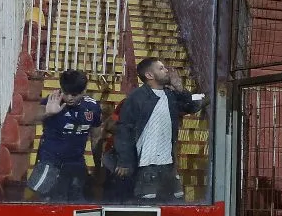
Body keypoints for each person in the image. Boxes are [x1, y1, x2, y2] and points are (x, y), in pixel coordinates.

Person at [114, 58, 208, 202]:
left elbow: (195, 104)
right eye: (161, 68)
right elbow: (124, 129)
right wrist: (124, 161)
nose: (166, 71)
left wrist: (180, 88)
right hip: (147, 165)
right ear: (149, 75)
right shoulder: (137, 97)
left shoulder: (171, 94)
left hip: (168, 164)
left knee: (176, 204)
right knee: (149, 205)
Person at [27, 70, 102, 203]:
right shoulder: (53, 101)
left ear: (84, 91)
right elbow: (30, 118)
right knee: (38, 196)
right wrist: (47, 113)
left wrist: (97, 166)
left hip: (75, 161)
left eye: (74, 94)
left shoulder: (93, 107)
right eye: (66, 93)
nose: (69, 98)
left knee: (80, 201)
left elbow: (96, 137)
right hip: (50, 160)